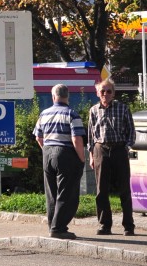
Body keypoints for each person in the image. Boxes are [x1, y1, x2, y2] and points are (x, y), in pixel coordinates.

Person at [33, 83, 87, 239]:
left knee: (51, 192)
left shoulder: (44, 114)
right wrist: (81, 158)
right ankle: (59, 228)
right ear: (67, 96)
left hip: (48, 153)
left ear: (53, 97)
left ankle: (52, 225)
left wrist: (46, 149)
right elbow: (76, 138)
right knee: (66, 192)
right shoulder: (71, 114)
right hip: (65, 154)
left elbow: (38, 137)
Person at [87, 78, 136, 236]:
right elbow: (90, 135)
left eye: (109, 91)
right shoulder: (93, 110)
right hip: (101, 150)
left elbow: (131, 132)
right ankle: (104, 225)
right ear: (97, 93)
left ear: (114, 93)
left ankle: (128, 225)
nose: (105, 94)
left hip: (119, 150)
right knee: (101, 191)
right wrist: (91, 155)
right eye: (102, 91)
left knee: (124, 190)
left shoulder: (123, 108)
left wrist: (126, 147)